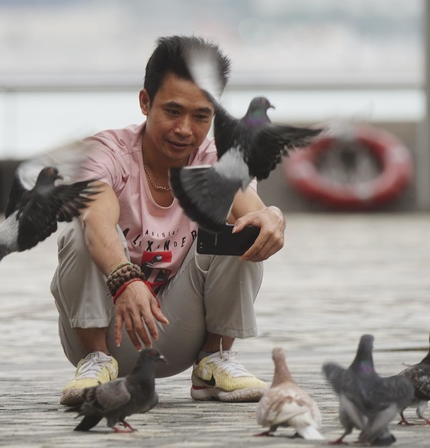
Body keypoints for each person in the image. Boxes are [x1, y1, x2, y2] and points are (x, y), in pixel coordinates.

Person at [50, 35, 285, 407]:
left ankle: (213, 361)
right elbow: (96, 218)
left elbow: (250, 208)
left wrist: (272, 217)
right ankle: (95, 362)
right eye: (173, 111)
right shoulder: (104, 152)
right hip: (107, 329)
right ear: (146, 102)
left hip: (178, 330)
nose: (185, 130)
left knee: (242, 228)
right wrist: (125, 279)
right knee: (79, 229)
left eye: (201, 116)